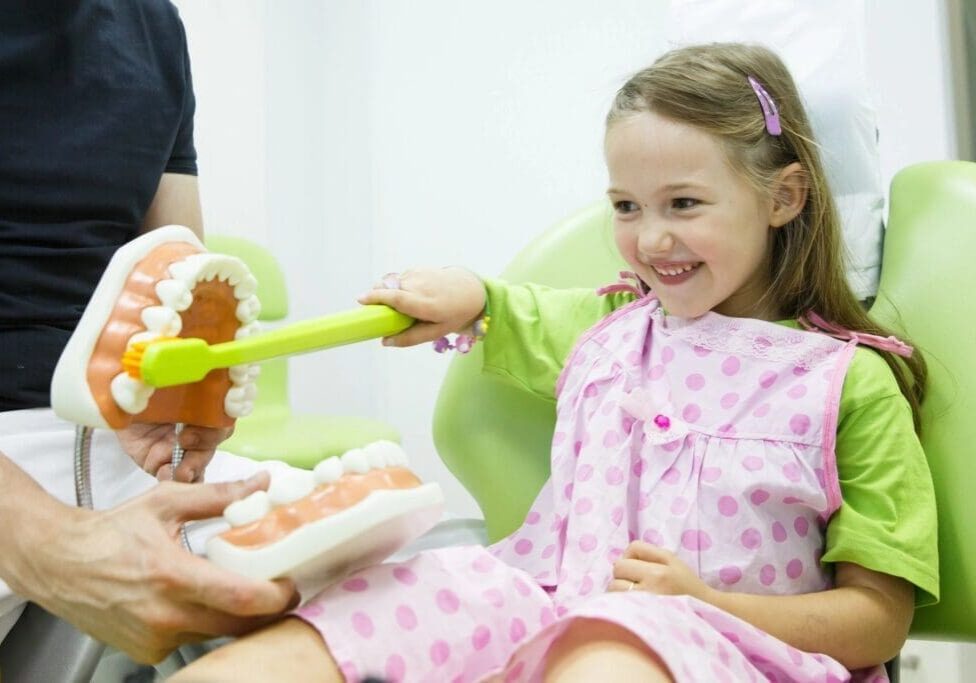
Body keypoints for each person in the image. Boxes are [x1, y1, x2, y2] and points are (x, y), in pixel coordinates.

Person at [174, 43, 938, 682]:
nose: (650, 239)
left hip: (732, 647)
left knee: (608, 653)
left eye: (684, 204)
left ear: (784, 197)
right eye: (626, 205)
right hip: (547, 602)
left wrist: (703, 599)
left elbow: (877, 621)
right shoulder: (610, 329)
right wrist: (463, 292)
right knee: (383, 604)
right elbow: (509, 312)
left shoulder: (847, 383)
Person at [0, 0, 296, 665]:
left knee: (385, 583)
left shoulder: (151, 25)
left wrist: (185, 394)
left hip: (107, 441)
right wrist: (40, 539)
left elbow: (175, 268)